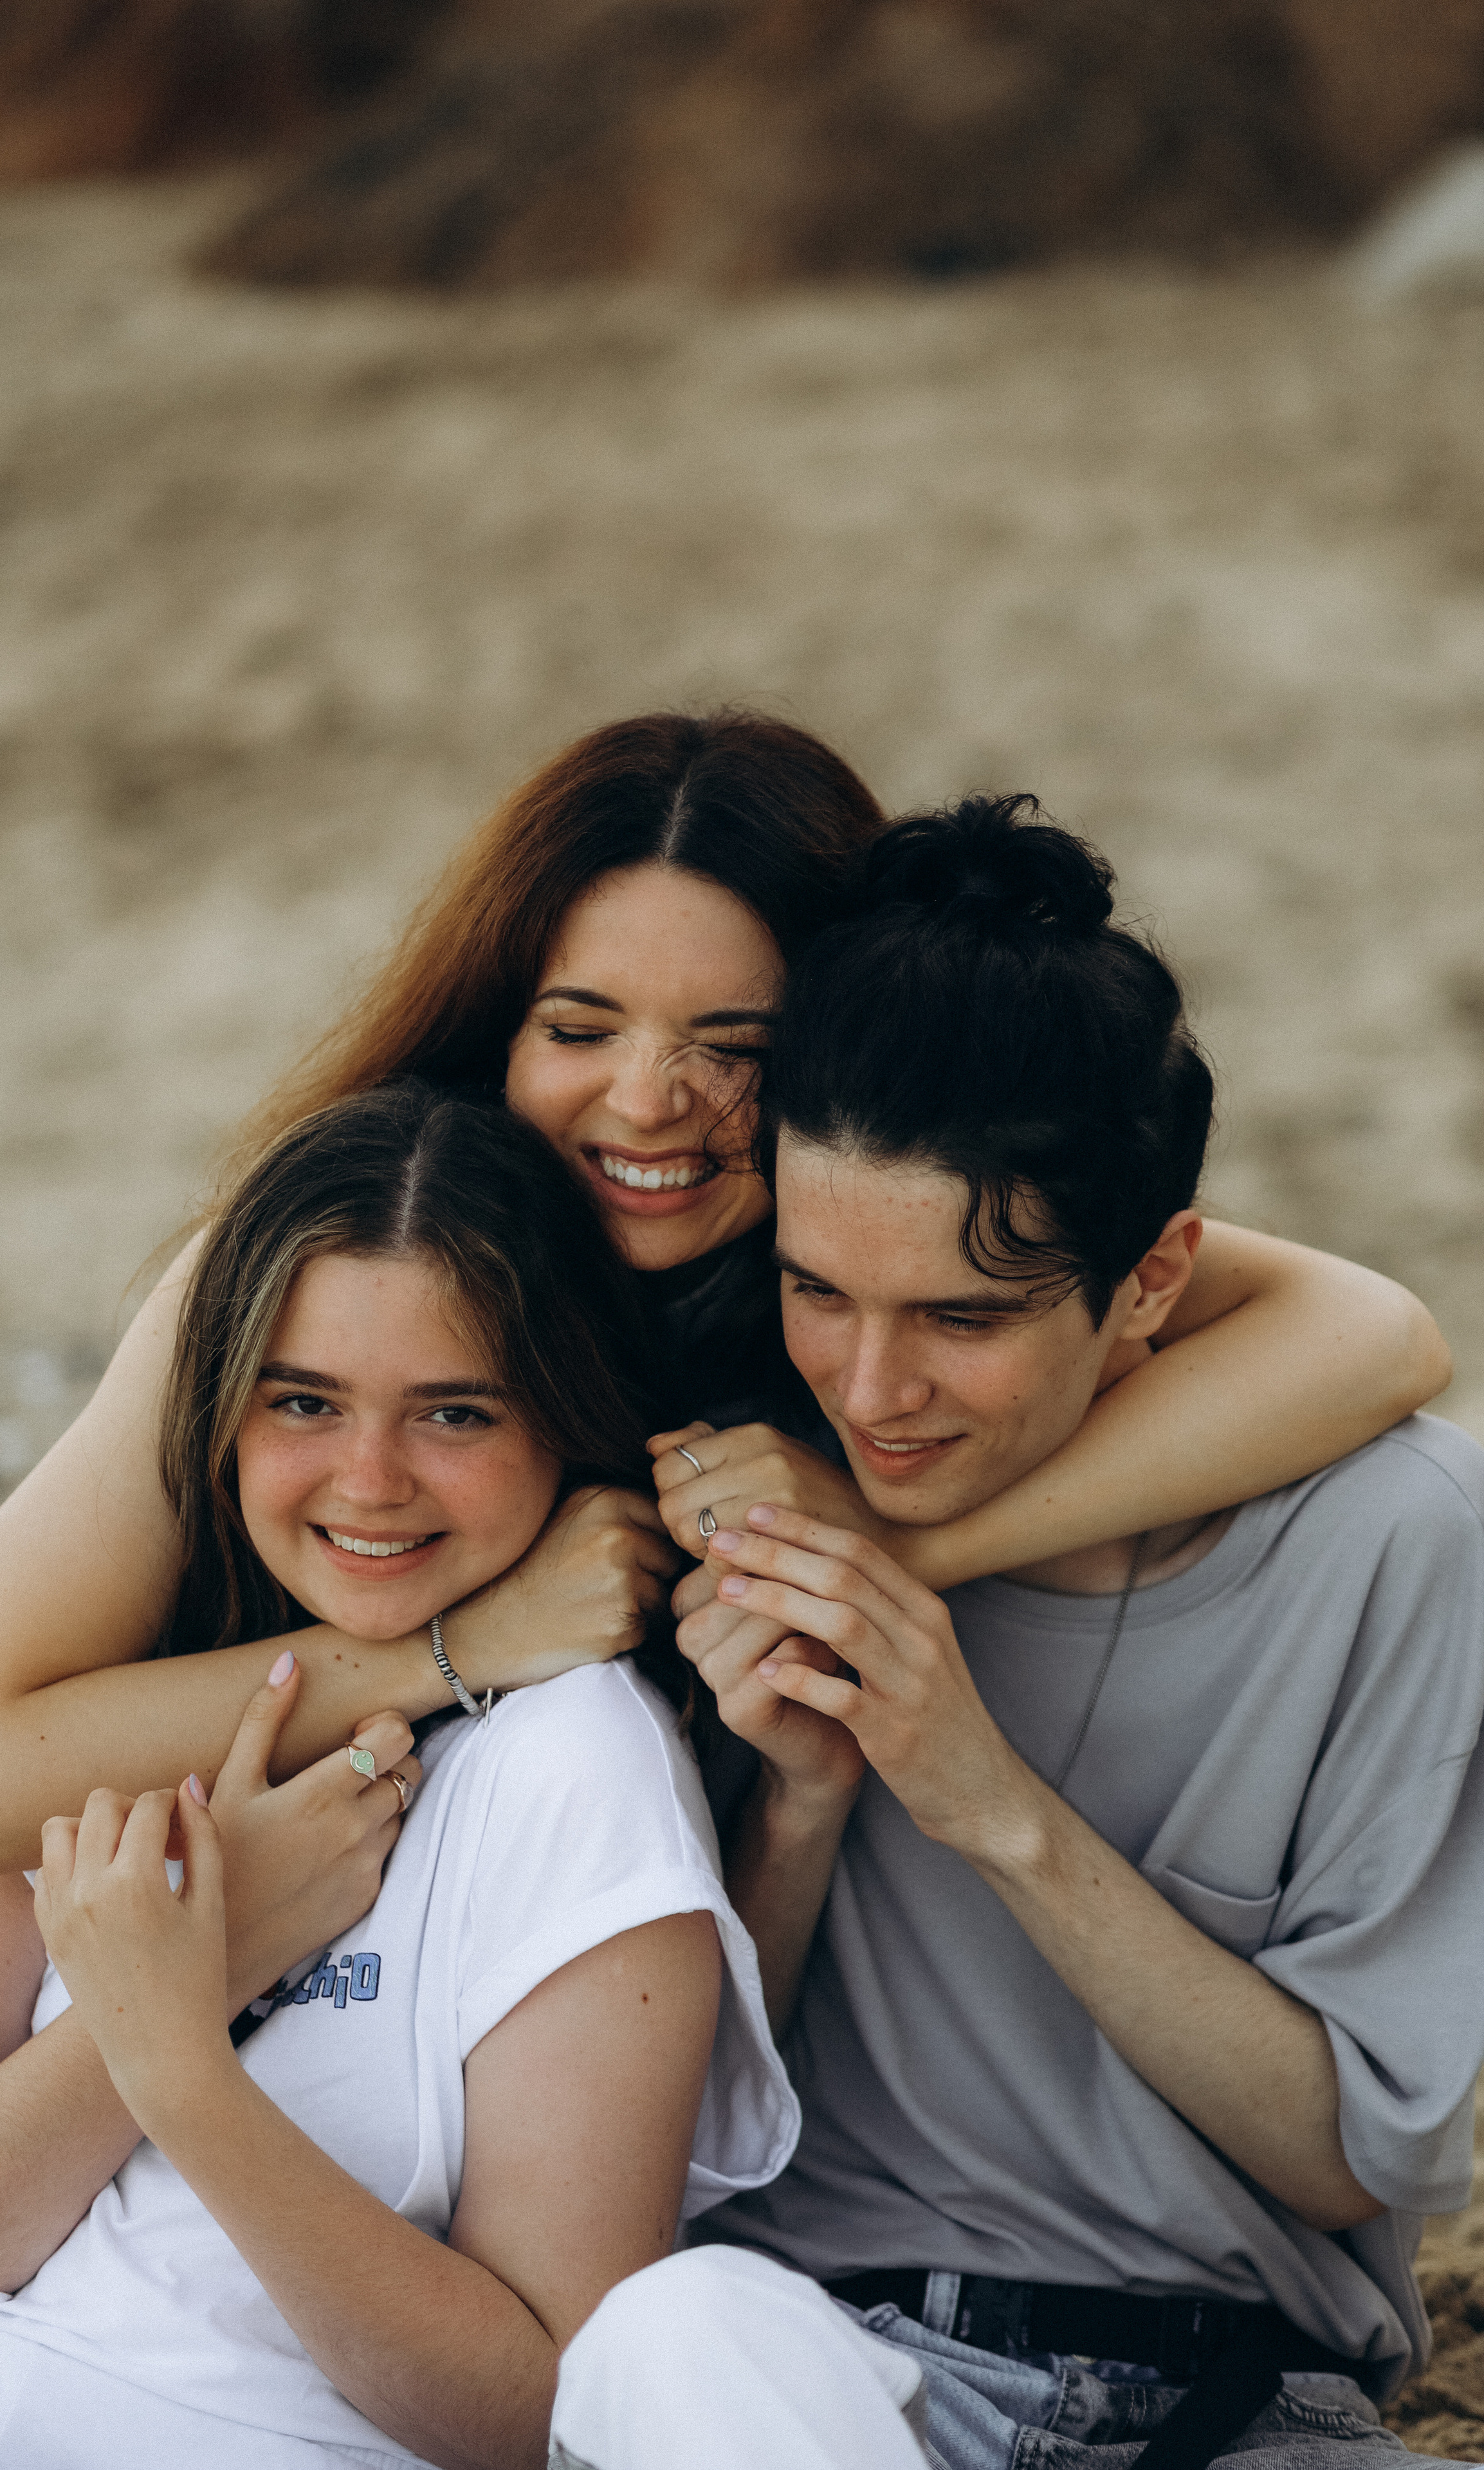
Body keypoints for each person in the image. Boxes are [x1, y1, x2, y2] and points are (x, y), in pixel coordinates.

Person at [0, 712, 1448, 1878]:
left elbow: (1374, 1337)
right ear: (499, 1030)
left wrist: (876, 1545)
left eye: (734, 1049)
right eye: (579, 1029)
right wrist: (466, 1642)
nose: (646, 1103)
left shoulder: (881, 1250)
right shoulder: (321, 1266)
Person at [556, 798, 1484, 2470]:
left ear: (1156, 1278)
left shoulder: (1396, 1540)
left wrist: (981, 1798)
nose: (871, 1391)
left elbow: (1354, 2157)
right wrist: (804, 1809)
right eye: (818, 1290)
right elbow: (672, 2141)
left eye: (962, 1318)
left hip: (1250, 2410)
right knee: (668, 2332)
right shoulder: (760, 1485)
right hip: (824, 2380)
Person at [0, 1084, 798, 2469]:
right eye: (303, 1401)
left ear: (562, 1419)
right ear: (221, 1412)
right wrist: (216, 1952)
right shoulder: (104, 1707)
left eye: (454, 1414)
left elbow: (547, 2418)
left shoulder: (573, 1767)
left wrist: (185, 2064)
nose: (369, 1479)